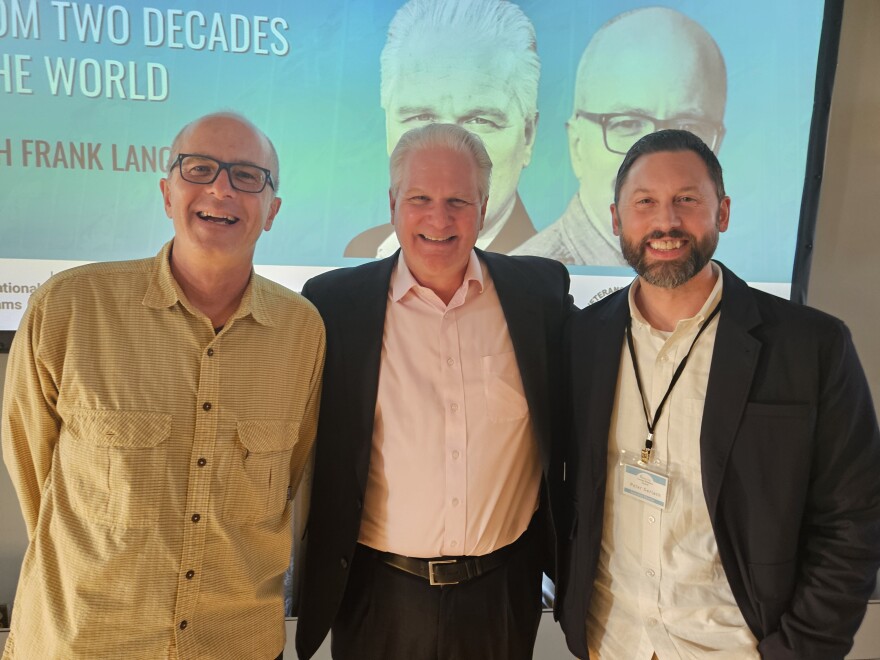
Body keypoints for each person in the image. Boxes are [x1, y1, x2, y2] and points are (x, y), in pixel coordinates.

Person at [1, 112, 325, 660]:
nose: (221, 188)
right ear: (167, 193)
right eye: (199, 168)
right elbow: (32, 465)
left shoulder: (301, 332)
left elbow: (293, 479)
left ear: (272, 211)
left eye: (248, 176)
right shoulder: (70, 308)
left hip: (233, 646)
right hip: (85, 641)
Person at [558, 129, 880, 659]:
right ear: (617, 220)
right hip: (610, 642)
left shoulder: (811, 346)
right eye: (645, 203)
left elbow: (854, 521)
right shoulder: (580, 340)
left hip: (737, 647)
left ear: (722, 212)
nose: (666, 222)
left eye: (687, 200)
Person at [296, 123, 571, 660]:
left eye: (458, 201)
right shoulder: (333, 305)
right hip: (377, 596)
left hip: (502, 595)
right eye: (420, 198)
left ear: (486, 205)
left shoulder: (538, 295)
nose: (439, 218)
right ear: (393, 201)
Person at [513, 7, 726, 266]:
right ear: (577, 146)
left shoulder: (748, 298)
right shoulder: (522, 286)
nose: (658, 164)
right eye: (627, 124)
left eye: (687, 127)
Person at [344, 0, 540, 258]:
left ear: (527, 137)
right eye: (422, 117)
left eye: (479, 120)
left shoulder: (545, 287)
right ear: (388, 125)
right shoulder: (359, 253)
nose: (445, 151)